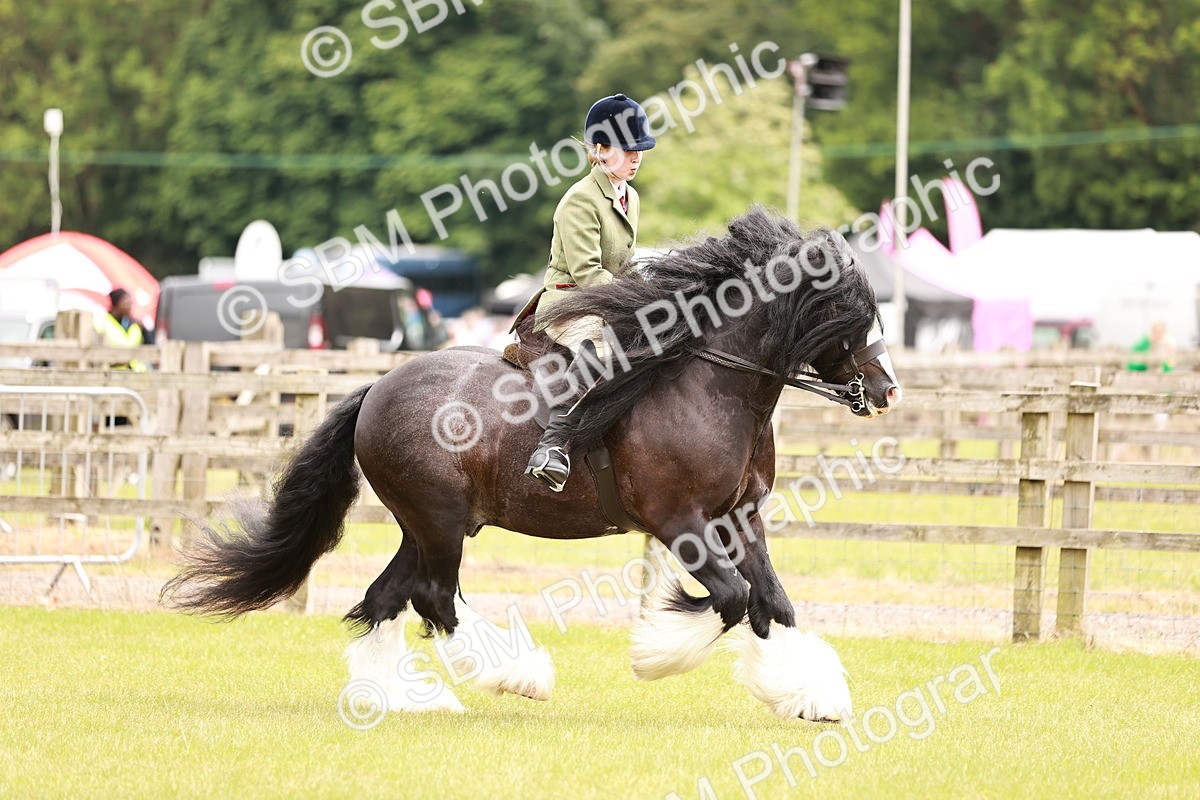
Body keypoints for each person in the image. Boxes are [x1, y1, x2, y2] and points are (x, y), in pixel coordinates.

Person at [516, 93, 656, 491]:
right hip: (569, 301)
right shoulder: (580, 200)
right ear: (600, 149)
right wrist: (636, 302)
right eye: (627, 150)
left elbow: (623, 266)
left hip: (606, 298)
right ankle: (552, 445)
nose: (636, 158)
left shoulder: (630, 197)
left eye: (639, 150)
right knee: (602, 347)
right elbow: (588, 273)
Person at [94, 288, 148, 372]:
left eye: (130, 303)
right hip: (111, 371)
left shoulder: (133, 323)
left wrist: (145, 330)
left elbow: (149, 343)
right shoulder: (102, 321)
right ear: (117, 304)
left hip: (135, 371)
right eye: (126, 302)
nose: (129, 306)